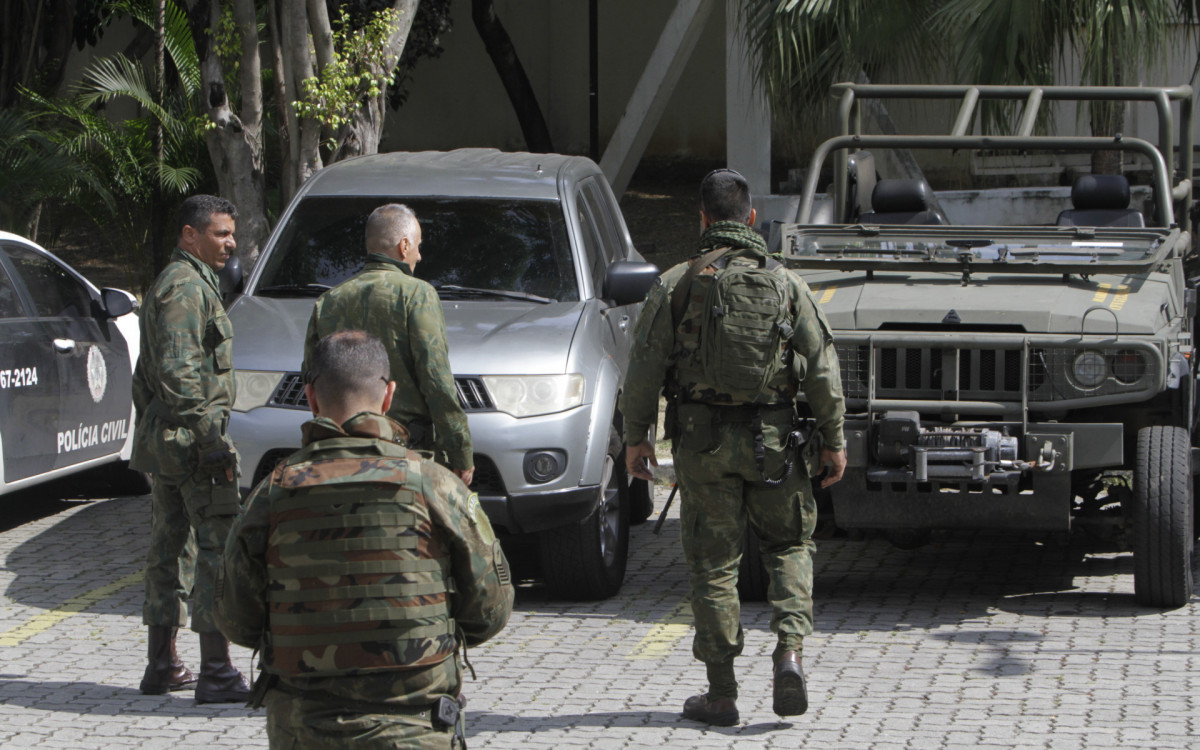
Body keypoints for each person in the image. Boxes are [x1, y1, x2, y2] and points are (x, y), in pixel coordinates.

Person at [620, 168, 847, 725]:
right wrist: (835, 440)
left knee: (715, 564)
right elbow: (821, 366)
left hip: (702, 443)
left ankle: (721, 694)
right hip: (776, 442)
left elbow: (644, 367)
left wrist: (637, 439)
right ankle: (790, 651)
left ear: (700, 219)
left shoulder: (676, 282)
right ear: (751, 219)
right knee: (790, 546)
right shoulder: (786, 281)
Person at [216, 329, 514, 749]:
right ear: (388, 396)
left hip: (303, 729)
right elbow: (489, 611)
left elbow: (235, 619)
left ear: (311, 398)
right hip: (414, 728)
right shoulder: (435, 485)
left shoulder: (272, 492)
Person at [131, 194, 251, 703]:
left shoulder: (186, 282)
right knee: (215, 550)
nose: (231, 243)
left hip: (170, 441)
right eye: (221, 234)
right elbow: (178, 373)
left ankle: (163, 666)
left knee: (169, 549)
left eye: (231, 234)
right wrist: (210, 440)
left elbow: (148, 378)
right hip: (192, 445)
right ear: (189, 235)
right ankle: (217, 672)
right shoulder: (184, 288)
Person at [303, 203, 474, 486]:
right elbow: (436, 379)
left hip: (339, 454)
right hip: (403, 453)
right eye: (418, 246)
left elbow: (311, 374)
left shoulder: (329, 300)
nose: (419, 256)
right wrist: (459, 450)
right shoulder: (417, 294)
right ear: (404, 245)